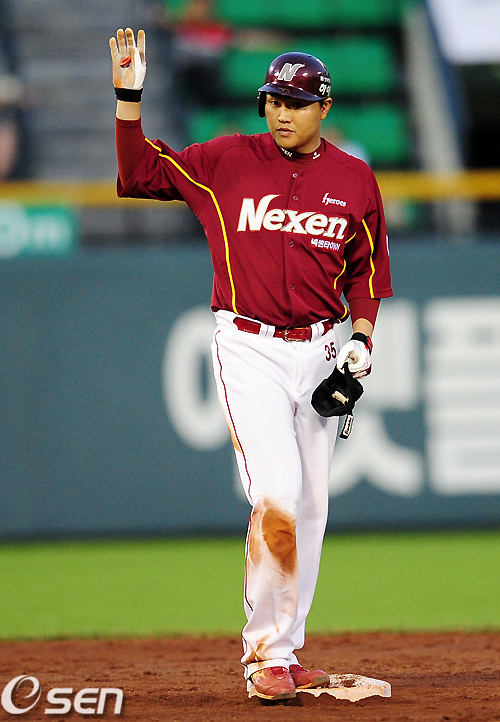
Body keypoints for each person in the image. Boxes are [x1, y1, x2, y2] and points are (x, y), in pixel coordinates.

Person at [109, 28, 392, 702]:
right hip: (250, 346)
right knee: (277, 495)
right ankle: (263, 654)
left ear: (324, 107)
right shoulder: (226, 160)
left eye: (296, 102)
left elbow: (367, 272)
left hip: (322, 349)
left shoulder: (354, 178)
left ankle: (285, 651)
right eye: (274, 100)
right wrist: (128, 100)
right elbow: (138, 175)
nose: (281, 112)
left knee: (312, 508)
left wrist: (361, 339)